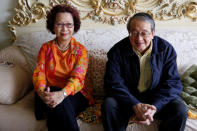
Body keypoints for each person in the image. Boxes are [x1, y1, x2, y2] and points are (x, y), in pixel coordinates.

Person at [101, 13, 188, 131]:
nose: (139, 39)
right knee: (109, 104)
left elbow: (172, 83)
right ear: (129, 34)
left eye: (144, 33)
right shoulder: (117, 51)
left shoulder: (166, 49)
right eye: (134, 33)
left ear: (153, 33)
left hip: (157, 99)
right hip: (128, 99)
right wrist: (134, 104)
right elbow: (113, 83)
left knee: (180, 110)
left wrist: (155, 106)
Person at [33, 4, 94, 131]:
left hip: (76, 94)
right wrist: (41, 93)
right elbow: (39, 74)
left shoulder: (80, 50)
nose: (64, 29)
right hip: (49, 92)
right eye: (60, 24)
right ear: (53, 26)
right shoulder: (46, 48)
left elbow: (78, 78)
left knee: (60, 104)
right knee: (57, 101)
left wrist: (62, 94)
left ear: (74, 26)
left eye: (69, 25)